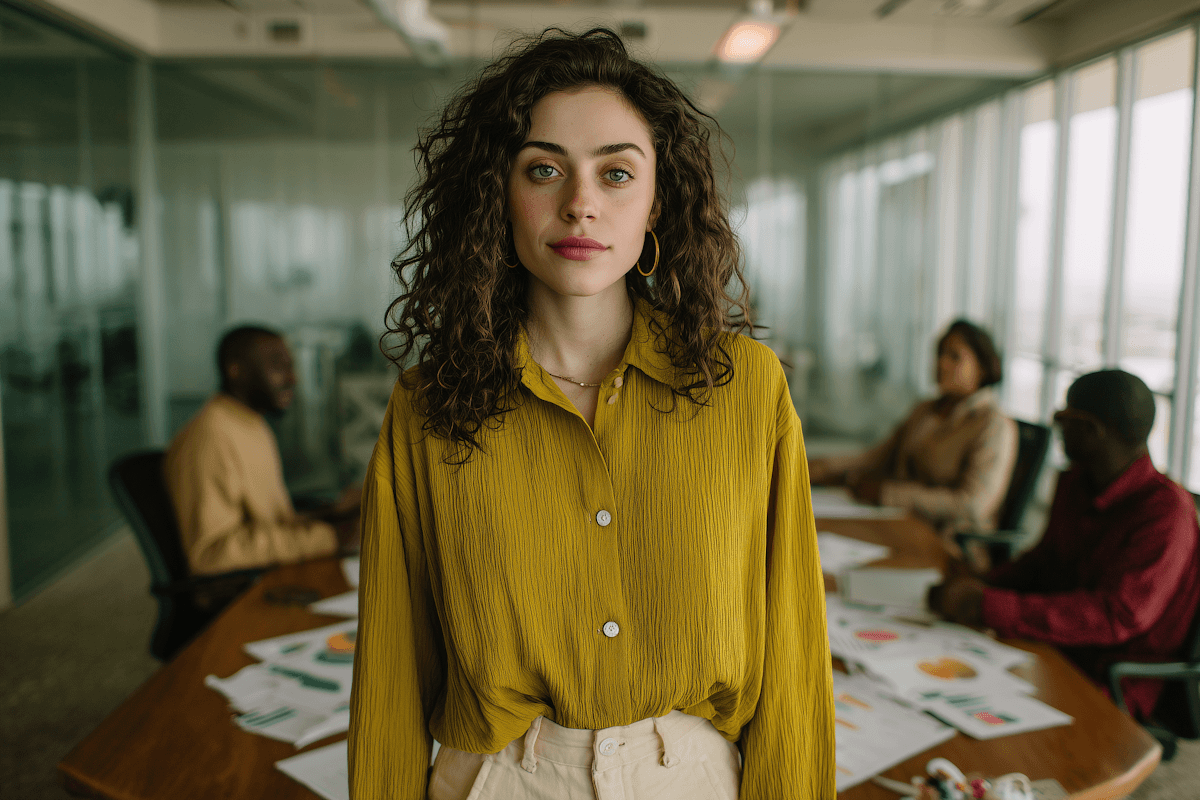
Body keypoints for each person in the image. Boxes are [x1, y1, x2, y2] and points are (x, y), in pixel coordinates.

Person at [348, 28, 833, 800]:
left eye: (615, 174)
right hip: (500, 779)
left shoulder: (747, 388)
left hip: (693, 778)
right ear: (496, 197)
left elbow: (796, 650)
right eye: (545, 170)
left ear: (656, 204)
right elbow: (389, 667)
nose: (580, 204)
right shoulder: (427, 407)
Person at [930, 370, 1200, 721]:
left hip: (1111, 679)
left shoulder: (1166, 513)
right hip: (1052, 647)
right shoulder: (1076, 481)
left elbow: (1115, 616)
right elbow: (1045, 562)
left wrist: (990, 606)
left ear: (1093, 431)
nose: (1057, 428)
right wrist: (985, 582)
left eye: (1063, 418)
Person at [163, 325, 360, 575]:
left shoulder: (251, 423)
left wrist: (333, 513)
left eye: (291, 367)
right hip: (239, 593)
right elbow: (211, 554)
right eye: (278, 367)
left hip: (272, 570)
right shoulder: (210, 438)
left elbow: (270, 522)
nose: (293, 379)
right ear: (236, 371)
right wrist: (328, 538)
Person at [808, 320, 1018, 535]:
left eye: (954, 357)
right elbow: (874, 458)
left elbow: (972, 506)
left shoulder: (994, 425)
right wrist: (815, 467)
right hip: (897, 522)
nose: (941, 363)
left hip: (946, 540)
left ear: (982, 368)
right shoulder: (925, 410)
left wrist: (887, 494)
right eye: (940, 354)